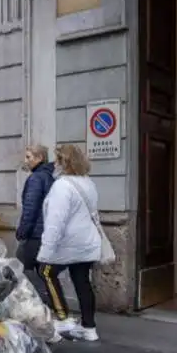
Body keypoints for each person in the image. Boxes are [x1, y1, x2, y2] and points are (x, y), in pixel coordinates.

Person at [36, 144, 102, 342]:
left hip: (68, 243)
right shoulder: (88, 183)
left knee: (46, 271)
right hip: (87, 242)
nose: (54, 164)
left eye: (57, 161)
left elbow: (56, 221)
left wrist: (46, 252)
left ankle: (63, 317)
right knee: (82, 281)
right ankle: (89, 328)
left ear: (64, 163)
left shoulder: (62, 186)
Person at [15, 144, 56, 277]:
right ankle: (45, 296)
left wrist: (22, 232)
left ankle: (36, 297)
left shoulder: (36, 178)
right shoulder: (49, 177)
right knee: (42, 273)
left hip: (34, 234)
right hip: (45, 233)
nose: (25, 161)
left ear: (40, 158)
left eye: (29, 157)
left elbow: (30, 209)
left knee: (22, 271)